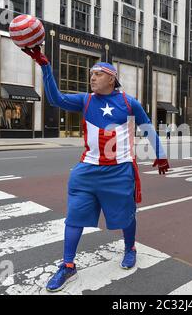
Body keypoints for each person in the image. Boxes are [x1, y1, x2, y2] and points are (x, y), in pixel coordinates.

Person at [22, 46, 170, 292]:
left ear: (111, 78)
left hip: (119, 171)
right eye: (91, 74)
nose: (92, 77)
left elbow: (148, 128)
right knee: (74, 218)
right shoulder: (85, 100)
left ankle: (130, 248)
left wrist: (161, 155)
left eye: (98, 74)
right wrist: (45, 66)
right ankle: (68, 265)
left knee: (126, 215)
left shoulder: (128, 102)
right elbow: (55, 99)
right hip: (86, 172)